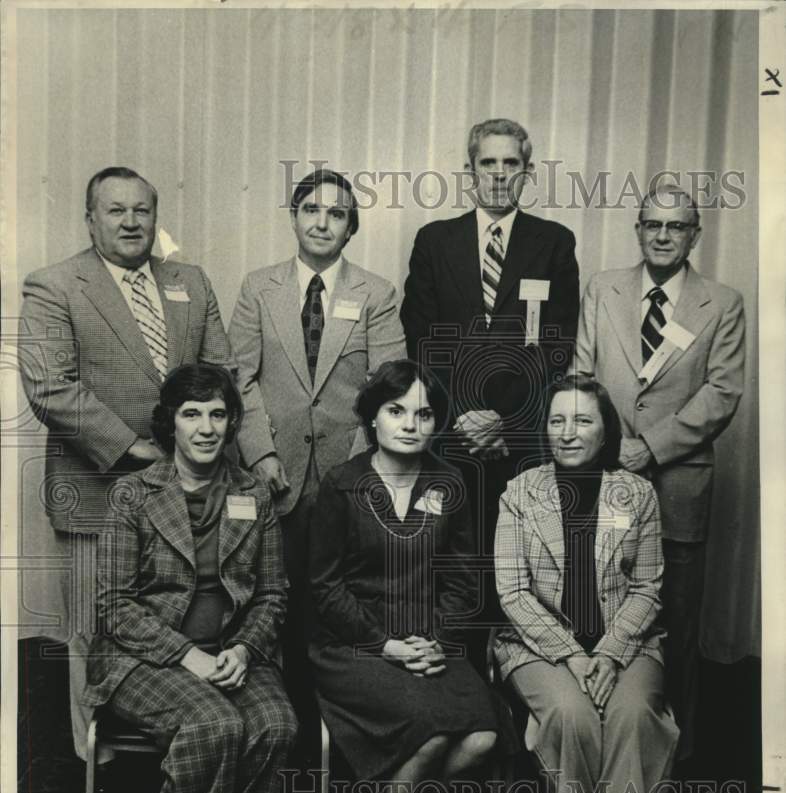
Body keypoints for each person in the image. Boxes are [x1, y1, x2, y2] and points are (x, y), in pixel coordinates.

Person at [18, 166, 234, 761]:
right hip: (95, 493)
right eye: (115, 210)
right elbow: (49, 388)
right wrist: (138, 449)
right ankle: (96, 761)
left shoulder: (190, 280)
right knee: (93, 625)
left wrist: (196, 451)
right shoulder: (53, 284)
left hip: (187, 493)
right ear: (90, 219)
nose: (131, 221)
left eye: (142, 209)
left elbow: (221, 375)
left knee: (178, 613)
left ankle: (181, 734)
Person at [83, 364, 296, 793]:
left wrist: (248, 649)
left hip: (232, 651)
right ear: (170, 422)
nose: (206, 428)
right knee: (214, 723)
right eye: (191, 413)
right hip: (143, 657)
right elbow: (114, 606)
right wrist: (186, 655)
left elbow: (274, 594)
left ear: (232, 425)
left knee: (276, 724)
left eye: (218, 414)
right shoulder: (134, 493)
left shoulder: (253, 494)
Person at [309, 359, 515, 793]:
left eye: (424, 414)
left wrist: (436, 641)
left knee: (482, 737)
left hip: (430, 642)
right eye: (396, 411)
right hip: (353, 646)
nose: (410, 424)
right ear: (371, 417)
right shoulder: (341, 484)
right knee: (427, 730)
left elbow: (463, 580)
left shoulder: (449, 483)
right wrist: (386, 645)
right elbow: (324, 590)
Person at [494, 374, 679, 793]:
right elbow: (512, 591)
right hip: (538, 645)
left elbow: (648, 588)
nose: (568, 433)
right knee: (573, 715)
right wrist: (573, 655)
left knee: (630, 714)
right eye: (557, 420)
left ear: (606, 431)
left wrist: (612, 652)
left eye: (583, 420)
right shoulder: (519, 492)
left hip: (627, 643)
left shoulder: (638, 494)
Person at [571, 185, 745, 759]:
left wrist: (650, 446)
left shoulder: (722, 303)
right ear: (638, 229)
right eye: (653, 224)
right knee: (602, 613)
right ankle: (606, 745)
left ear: (694, 235)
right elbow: (581, 375)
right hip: (604, 480)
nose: (663, 235)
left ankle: (674, 758)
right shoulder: (603, 288)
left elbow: (722, 393)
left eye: (676, 226)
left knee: (674, 622)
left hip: (677, 490)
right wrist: (606, 448)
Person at [228, 168, 406, 713]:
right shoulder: (259, 287)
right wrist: (260, 452)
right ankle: (278, 720)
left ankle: (332, 727)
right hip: (273, 473)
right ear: (294, 218)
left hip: (346, 477)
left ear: (351, 228)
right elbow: (239, 377)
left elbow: (390, 387)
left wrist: (353, 470)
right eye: (312, 210)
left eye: (337, 214)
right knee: (272, 597)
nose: (322, 222)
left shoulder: (375, 293)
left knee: (334, 601)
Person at [401, 118, 579, 580]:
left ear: (528, 170)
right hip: (449, 433)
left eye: (510, 163)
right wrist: (464, 414)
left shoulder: (554, 242)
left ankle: (506, 653)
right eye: (488, 163)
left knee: (513, 564)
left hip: (515, 439)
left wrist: (502, 418)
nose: (499, 174)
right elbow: (420, 336)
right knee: (443, 560)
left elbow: (556, 345)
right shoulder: (435, 241)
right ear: (470, 172)